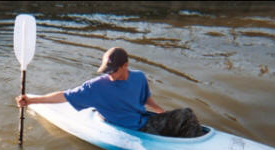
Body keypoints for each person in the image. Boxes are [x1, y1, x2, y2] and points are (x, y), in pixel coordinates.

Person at [16, 47, 204, 138]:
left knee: (186, 114)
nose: (109, 75)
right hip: (130, 129)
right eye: (106, 70)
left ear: (125, 66)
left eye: (113, 70)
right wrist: (32, 101)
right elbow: (64, 95)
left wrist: (161, 112)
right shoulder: (96, 87)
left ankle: (193, 143)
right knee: (184, 120)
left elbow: (147, 99)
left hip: (144, 121)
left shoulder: (138, 77)